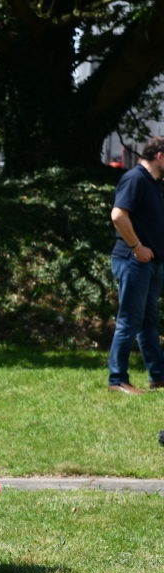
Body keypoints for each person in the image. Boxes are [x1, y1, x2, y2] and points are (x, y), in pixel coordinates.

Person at [107, 135, 164, 394]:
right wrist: (137, 247)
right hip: (133, 261)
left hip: (150, 264)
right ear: (160, 156)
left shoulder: (154, 183)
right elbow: (118, 215)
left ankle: (158, 376)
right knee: (129, 321)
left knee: (148, 322)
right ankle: (117, 379)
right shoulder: (135, 179)